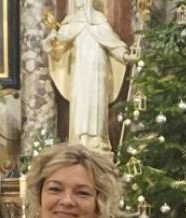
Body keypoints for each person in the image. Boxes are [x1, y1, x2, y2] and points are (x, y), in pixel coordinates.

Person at [46, 0, 134, 152]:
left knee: (96, 104)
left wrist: (126, 56)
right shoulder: (71, 22)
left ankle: (97, 140)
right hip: (80, 71)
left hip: (98, 72)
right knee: (81, 103)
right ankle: (79, 140)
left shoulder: (99, 21)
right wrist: (52, 39)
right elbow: (58, 44)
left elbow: (113, 44)